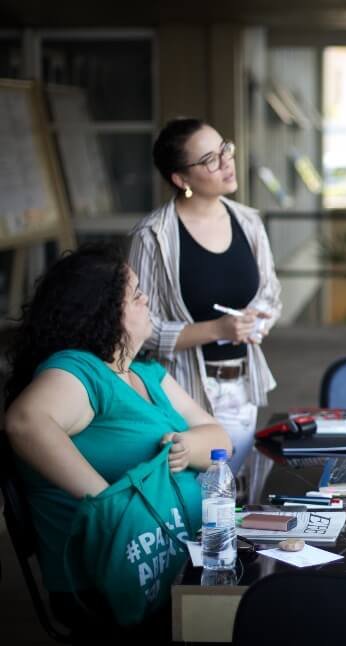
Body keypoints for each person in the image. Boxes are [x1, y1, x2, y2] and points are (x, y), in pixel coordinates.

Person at [3, 245, 231, 637]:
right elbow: (25, 422)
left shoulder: (146, 373)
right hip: (116, 582)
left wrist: (186, 448)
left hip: (181, 563)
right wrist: (109, 504)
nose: (147, 301)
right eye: (135, 294)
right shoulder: (81, 370)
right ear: (102, 311)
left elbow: (219, 440)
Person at [130, 118, 281, 476]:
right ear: (181, 179)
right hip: (183, 391)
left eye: (225, 149)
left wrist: (257, 319)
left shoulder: (249, 222)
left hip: (243, 387)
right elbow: (140, 328)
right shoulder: (153, 237)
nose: (227, 162)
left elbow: (271, 294)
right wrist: (218, 329)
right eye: (210, 159)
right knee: (197, 503)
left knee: (231, 494)